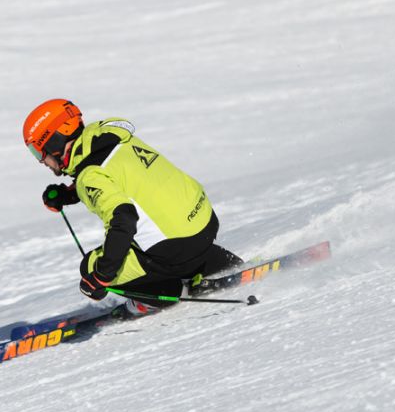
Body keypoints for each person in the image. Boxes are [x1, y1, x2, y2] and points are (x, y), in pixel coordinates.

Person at [22, 98, 244, 316]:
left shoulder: (89, 176)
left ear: (54, 141)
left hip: (176, 248)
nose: (41, 161)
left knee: (90, 266)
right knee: (162, 235)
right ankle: (209, 262)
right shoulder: (113, 139)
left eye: (38, 151)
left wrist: (101, 277)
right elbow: (126, 181)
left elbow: (124, 219)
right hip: (205, 221)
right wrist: (70, 194)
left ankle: (165, 294)